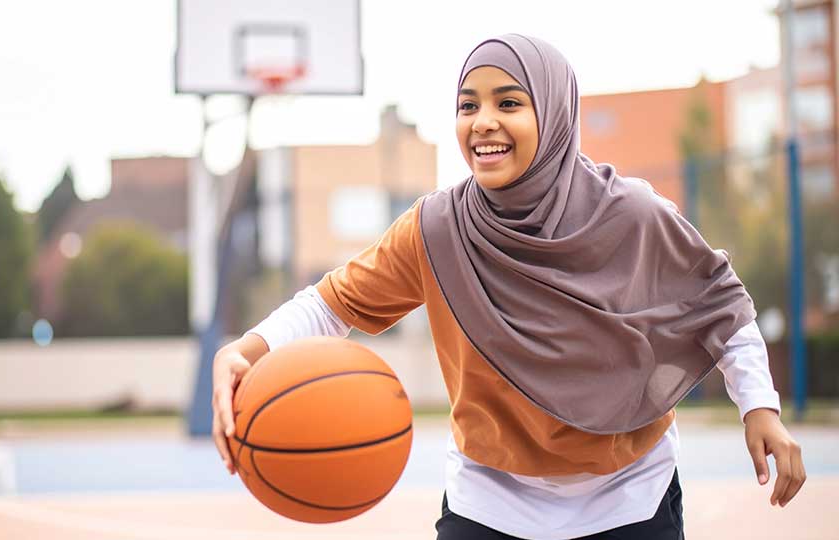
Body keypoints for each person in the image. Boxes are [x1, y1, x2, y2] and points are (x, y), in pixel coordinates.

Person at [211, 34, 806, 540]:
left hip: (629, 495)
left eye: (509, 102)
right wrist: (248, 348)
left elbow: (721, 305)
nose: (483, 121)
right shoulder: (437, 230)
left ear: (553, 114)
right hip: (489, 502)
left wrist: (760, 407)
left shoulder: (632, 214)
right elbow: (328, 304)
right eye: (467, 105)